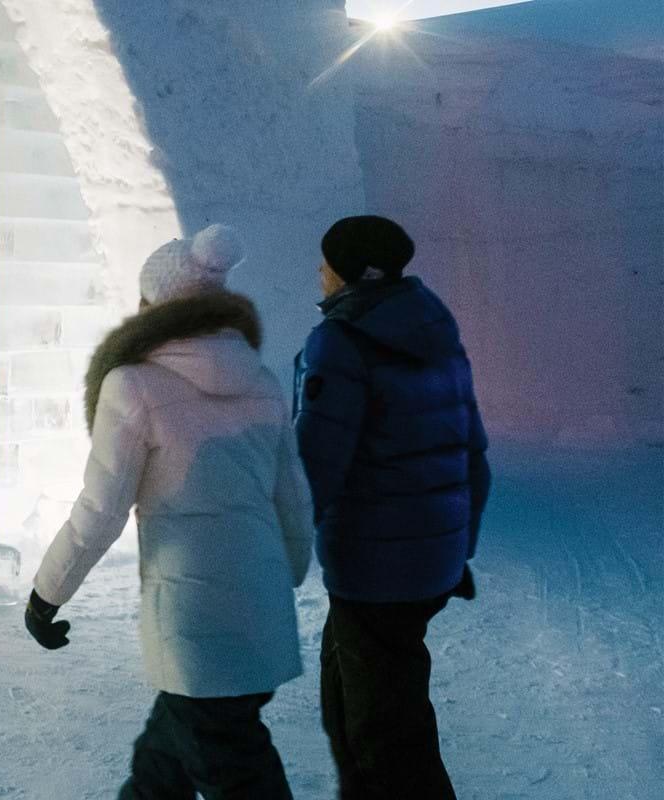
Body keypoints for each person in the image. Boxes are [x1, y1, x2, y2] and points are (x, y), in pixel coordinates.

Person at [26, 224, 313, 799]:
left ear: (151, 308)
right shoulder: (260, 379)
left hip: (193, 615)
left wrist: (46, 594)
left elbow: (101, 510)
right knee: (165, 765)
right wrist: (282, 577)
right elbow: (293, 500)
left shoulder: (133, 385)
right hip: (260, 602)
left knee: (232, 768)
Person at [294, 215, 490, 800]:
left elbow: (316, 465)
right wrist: (457, 547)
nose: (319, 272)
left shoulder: (341, 341)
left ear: (351, 273)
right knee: (349, 706)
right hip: (426, 559)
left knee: (386, 738)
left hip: (376, 568)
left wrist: (274, 548)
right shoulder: (433, 329)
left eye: (326, 262)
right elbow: (472, 451)